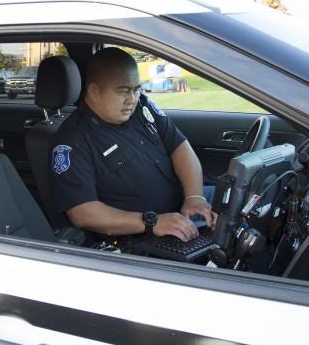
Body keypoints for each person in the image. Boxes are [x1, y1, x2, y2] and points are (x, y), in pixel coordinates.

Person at [51, 48, 214, 243]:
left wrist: (194, 196)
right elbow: (82, 213)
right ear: (94, 91)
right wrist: (152, 222)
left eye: (136, 89)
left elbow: (179, 146)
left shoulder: (142, 108)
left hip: (181, 212)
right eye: (123, 91)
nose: (132, 99)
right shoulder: (73, 140)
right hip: (142, 236)